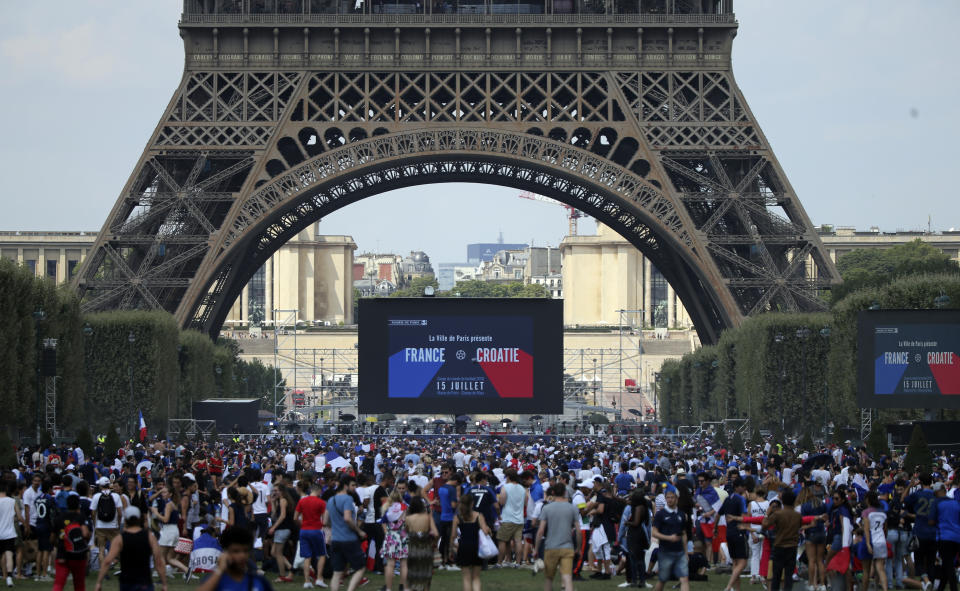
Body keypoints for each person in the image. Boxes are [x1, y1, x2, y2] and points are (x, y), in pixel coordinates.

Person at [93, 506, 168, 591]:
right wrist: (164, 583)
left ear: (126, 520)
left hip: (127, 583)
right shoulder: (149, 537)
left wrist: (99, 582)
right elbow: (158, 561)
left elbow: (107, 561)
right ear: (140, 519)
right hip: (145, 582)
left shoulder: (119, 539)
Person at [324, 475, 367, 591]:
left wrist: (336, 526)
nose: (354, 488)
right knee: (361, 568)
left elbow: (325, 521)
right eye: (353, 485)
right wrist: (359, 531)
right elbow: (348, 518)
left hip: (335, 540)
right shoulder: (348, 499)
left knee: (337, 573)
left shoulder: (330, 500)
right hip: (349, 539)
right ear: (345, 486)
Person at [197, 527, 274, 591]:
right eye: (236, 551)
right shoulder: (215, 581)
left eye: (245, 551)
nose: (242, 555)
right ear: (225, 553)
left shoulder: (258, 581)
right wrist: (219, 570)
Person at [536, 483, 581, 591]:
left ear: (552, 492)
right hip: (567, 547)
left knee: (549, 579)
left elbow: (540, 531)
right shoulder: (572, 508)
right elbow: (578, 531)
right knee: (567, 577)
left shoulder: (546, 508)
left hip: (550, 547)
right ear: (565, 492)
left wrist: (536, 549)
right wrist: (578, 548)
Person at [762, 488, 803, 591]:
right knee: (788, 576)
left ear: (783, 501)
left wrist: (767, 514)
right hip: (792, 547)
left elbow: (765, 525)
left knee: (776, 575)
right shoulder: (797, 516)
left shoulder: (778, 514)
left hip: (779, 546)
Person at [651, 486, 689, 591]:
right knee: (662, 581)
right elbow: (654, 533)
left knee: (684, 579)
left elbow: (684, 534)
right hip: (665, 551)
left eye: (672, 497)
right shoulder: (660, 514)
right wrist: (668, 538)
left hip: (679, 551)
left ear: (677, 498)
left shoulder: (682, 515)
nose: (670, 499)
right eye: (668, 497)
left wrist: (686, 552)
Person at [450, 495, 490, 591]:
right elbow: (485, 531)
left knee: (466, 578)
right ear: (472, 504)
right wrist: (488, 529)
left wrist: (452, 546)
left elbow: (453, 535)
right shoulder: (479, 516)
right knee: (476, 578)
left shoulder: (457, 517)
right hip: (477, 547)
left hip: (463, 546)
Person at [51, 494, 88, 591]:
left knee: (58, 583)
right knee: (79, 585)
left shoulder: (59, 518)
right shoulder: (80, 517)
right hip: (78, 555)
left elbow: (52, 538)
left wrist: (59, 544)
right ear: (78, 505)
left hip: (62, 554)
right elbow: (86, 534)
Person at [294, 482, 328, 589]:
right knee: (322, 555)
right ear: (319, 491)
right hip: (316, 530)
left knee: (306, 556)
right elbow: (325, 521)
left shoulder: (302, 501)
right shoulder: (322, 502)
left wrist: (302, 524)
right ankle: (319, 578)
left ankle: (307, 581)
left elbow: (295, 517)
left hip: (304, 530)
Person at [718, 477, 748, 591]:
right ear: (737, 487)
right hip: (739, 532)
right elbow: (744, 517)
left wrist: (715, 527)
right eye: (743, 486)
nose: (744, 488)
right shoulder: (740, 499)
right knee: (743, 562)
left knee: (736, 562)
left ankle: (737, 589)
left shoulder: (727, 499)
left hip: (729, 532)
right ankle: (729, 586)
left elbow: (718, 514)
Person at [151, 485, 188, 577]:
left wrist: (156, 513)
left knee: (161, 556)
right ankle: (187, 570)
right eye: (162, 492)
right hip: (174, 531)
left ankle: (161, 577)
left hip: (168, 531)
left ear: (170, 494)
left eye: (165, 492)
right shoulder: (173, 504)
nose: (163, 494)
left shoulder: (168, 504)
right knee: (170, 558)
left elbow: (165, 519)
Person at [404, 496, 438, 591]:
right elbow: (436, 533)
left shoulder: (408, 519)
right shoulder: (428, 517)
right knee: (426, 577)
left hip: (413, 550)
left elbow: (405, 534)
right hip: (426, 550)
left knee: (413, 576)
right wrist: (433, 542)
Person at [91, 477, 124, 577]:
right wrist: (118, 524)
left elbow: (93, 513)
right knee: (118, 548)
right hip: (113, 526)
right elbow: (119, 513)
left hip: (100, 526)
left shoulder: (96, 496)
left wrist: (95, 524)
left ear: (100, 486)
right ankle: (123, 569)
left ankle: (103, 572)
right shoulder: (115, 496)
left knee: (101, 549)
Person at [930, 483, 960, 591]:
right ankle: (940, 588)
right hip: (956, 537)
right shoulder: (955, 503)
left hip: (943, 536)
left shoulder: (937, 503)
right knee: (947, 563)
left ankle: (954, 588)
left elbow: (931, 521)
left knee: (948, 565)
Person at [497, 469, 528, 568]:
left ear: (509, 477)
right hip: (519, 518)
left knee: (502, 540)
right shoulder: (522, 488)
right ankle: (518, 563)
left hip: (507, 517)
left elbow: (502, 502)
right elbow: (526, 502)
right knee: (518, 541)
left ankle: (500, 562)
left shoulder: (505, 487)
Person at [381, 491, 409, 591]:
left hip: (391, 536)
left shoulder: (387, 508)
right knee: (404, 564)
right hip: (403, 536)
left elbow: (383, 524)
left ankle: (388, 588)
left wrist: (387, 534)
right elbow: (407, 521)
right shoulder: (404, 507)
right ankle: (405, 588)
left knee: (390, 564)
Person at [267, 483, 295, 584]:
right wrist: (273, 502)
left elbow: (282, 516)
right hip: (281, 529)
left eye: (276, 490)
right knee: (274, 552)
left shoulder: (283, 501)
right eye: (274, 490)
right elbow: (274, 514)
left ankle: (282, 575)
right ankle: (291, 568)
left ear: (282, 491)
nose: (275, 492)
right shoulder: (279, 501)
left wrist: (273, 528)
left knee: (278, 553)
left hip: (282, 529)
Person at [862, 491, 888, 591]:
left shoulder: (866, 512)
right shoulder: (882, 512)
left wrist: (868, 544)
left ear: (867, 499)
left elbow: (867, 529)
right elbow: (885, 529)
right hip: (881, 540)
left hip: (872, 540)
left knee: (867, 570)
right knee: (880, 568)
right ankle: (883, 588)